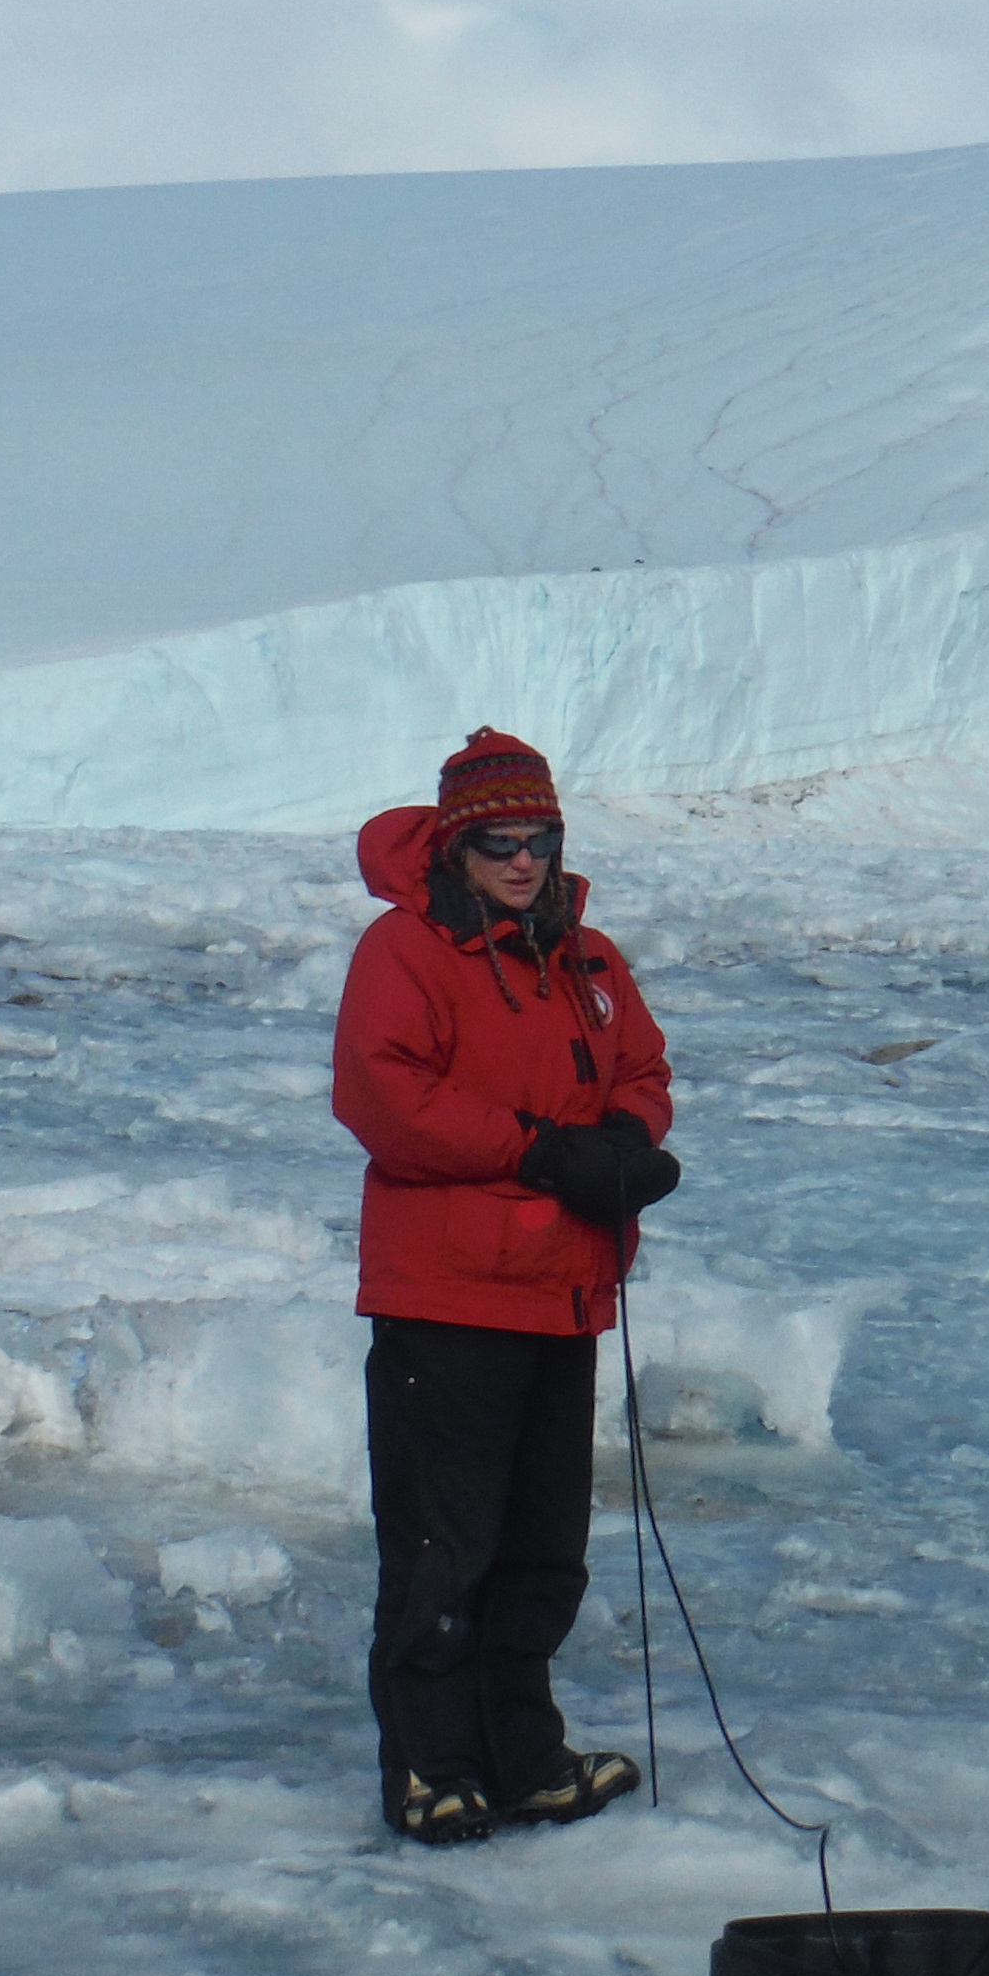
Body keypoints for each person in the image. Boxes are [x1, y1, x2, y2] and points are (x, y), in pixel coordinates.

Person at [332, 729, 681, 1845]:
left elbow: (644, 1070)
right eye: (498, 843)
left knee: (543, 1550)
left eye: (538, 839)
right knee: (444, 1549)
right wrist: (538, 1152)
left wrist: (626, 1140)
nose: (523, 861)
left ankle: (523, 1757)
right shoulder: (406, 951)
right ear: (457, 846)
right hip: (448, 1297)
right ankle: (431, 1767)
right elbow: (384, 1096)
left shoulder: (588, 960)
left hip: (562, 1292)